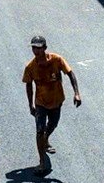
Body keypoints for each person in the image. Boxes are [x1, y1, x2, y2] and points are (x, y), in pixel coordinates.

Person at [21, 35, 81, 175]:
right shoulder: (30, 67)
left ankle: (46, 139)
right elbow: (29, 86)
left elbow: (70, 74)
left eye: (39, 48)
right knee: (39, 131)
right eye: (34, 48)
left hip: (56, 100)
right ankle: (42, 161)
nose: (36, 51)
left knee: (53, 124)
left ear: (45, 48)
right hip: (41, 103)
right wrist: (30, 105)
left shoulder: (57, 60)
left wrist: (76, 93)